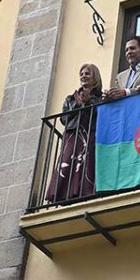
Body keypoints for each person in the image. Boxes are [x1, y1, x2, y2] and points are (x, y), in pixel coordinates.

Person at [46, 63, 103, 202]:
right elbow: (64, 119)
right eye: (82, 74)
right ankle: (61, 194)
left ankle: (83, 192)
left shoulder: (99, 98)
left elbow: (99, 115)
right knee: (67, 163)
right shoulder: (70, 98)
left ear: (94, 77)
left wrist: (88, 102)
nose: (84, 76)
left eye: (87, 74)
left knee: (85, 162)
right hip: (72, 134)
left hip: (89, 134)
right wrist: (77, 105)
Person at [105, 36, 140, 100]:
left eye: (132, 48)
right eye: (126, 50)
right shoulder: (120, 76)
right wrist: (110, 96)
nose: (129, 52)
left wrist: (125, 92)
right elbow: (117, 97)